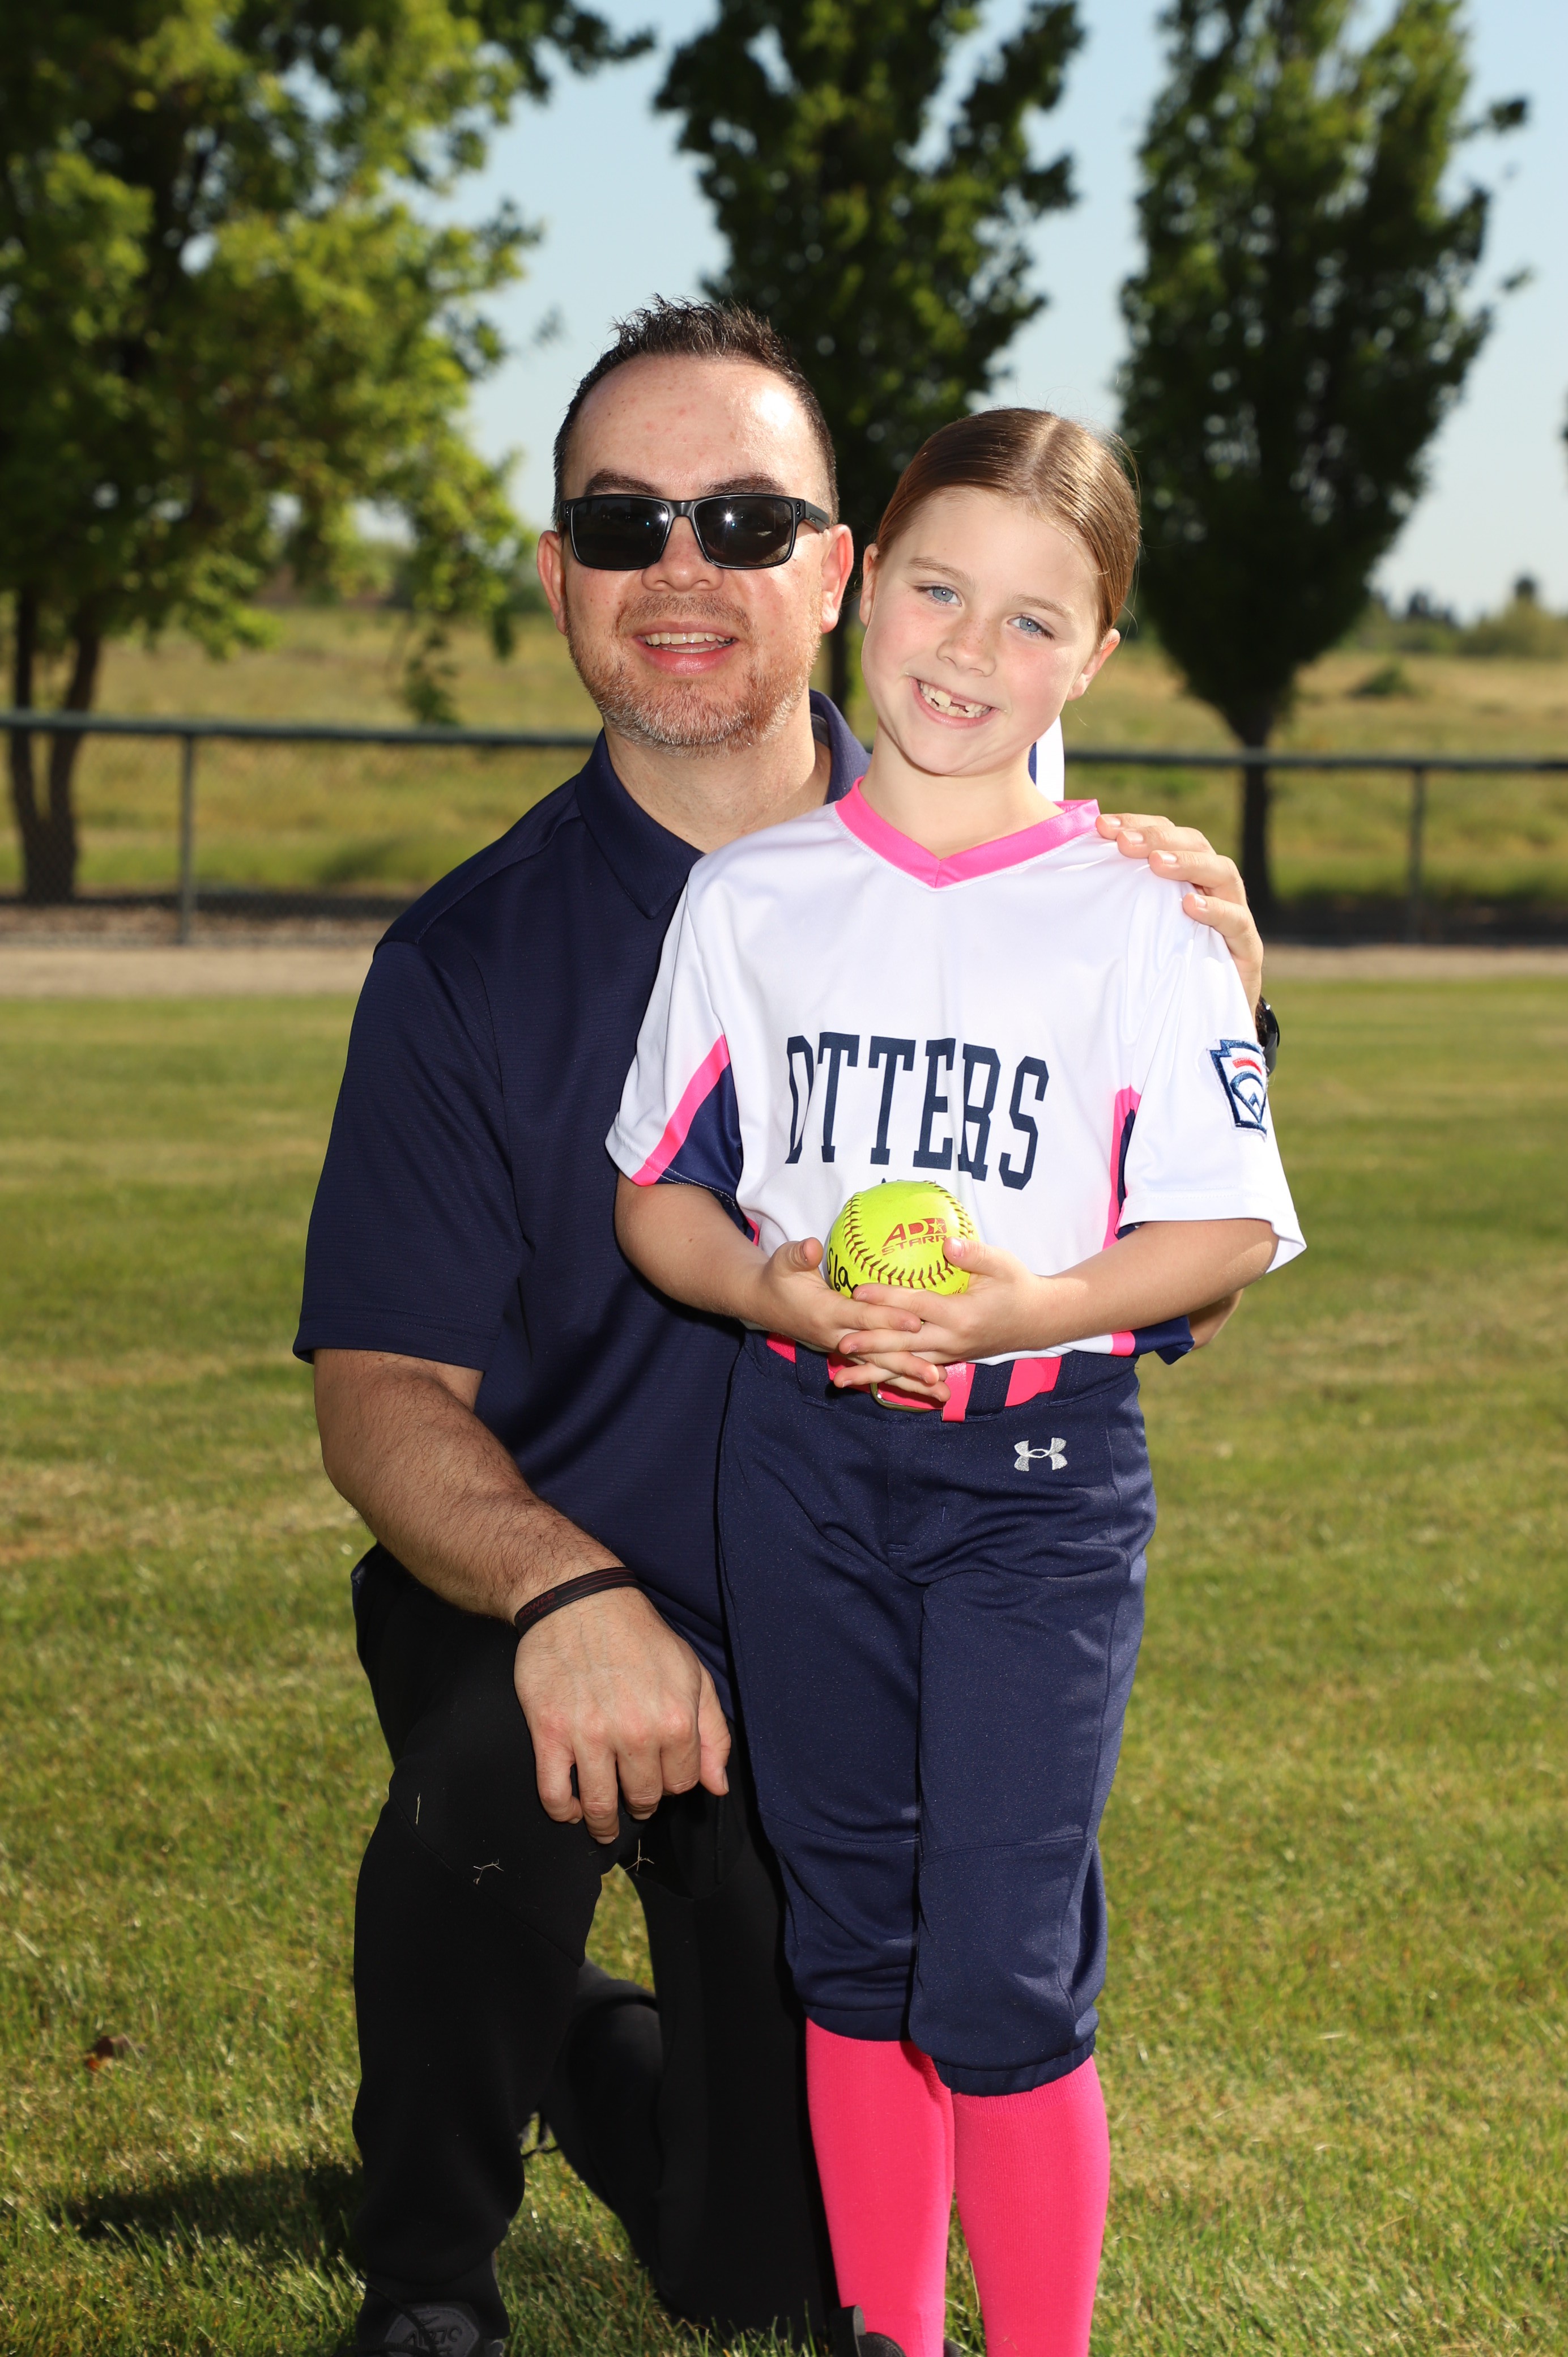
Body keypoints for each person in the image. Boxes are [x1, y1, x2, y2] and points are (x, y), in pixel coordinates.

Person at [298, 301, 1273, 2357]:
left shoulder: (1080, 885)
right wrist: (567, 1593)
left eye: (746, 520)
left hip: (860, 1603)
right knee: (493, 1771)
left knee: (767, 2270)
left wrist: (1225, 1009)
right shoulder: (467, 960)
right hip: (566, 1592)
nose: (683, 567)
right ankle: (428, 2271)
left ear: (835, 567)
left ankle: (591, 2053)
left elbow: (1155, 1250)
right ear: (558, 574)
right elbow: (378, 1393)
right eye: (623, 522)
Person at [610, 407, 1303, 2357]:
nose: (969, 650)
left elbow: (1225, 1230)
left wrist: (1032, 1308)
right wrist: (765, 1283)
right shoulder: (753, 900)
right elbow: (654, 1198)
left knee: (995, 1971)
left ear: (1093, 660)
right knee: (852, 1946)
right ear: (865, 584)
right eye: (938, 588)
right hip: (804, 1459)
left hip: (1037, 1483)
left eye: (1032, 620)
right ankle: (892, 2338)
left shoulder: (1144, 915)